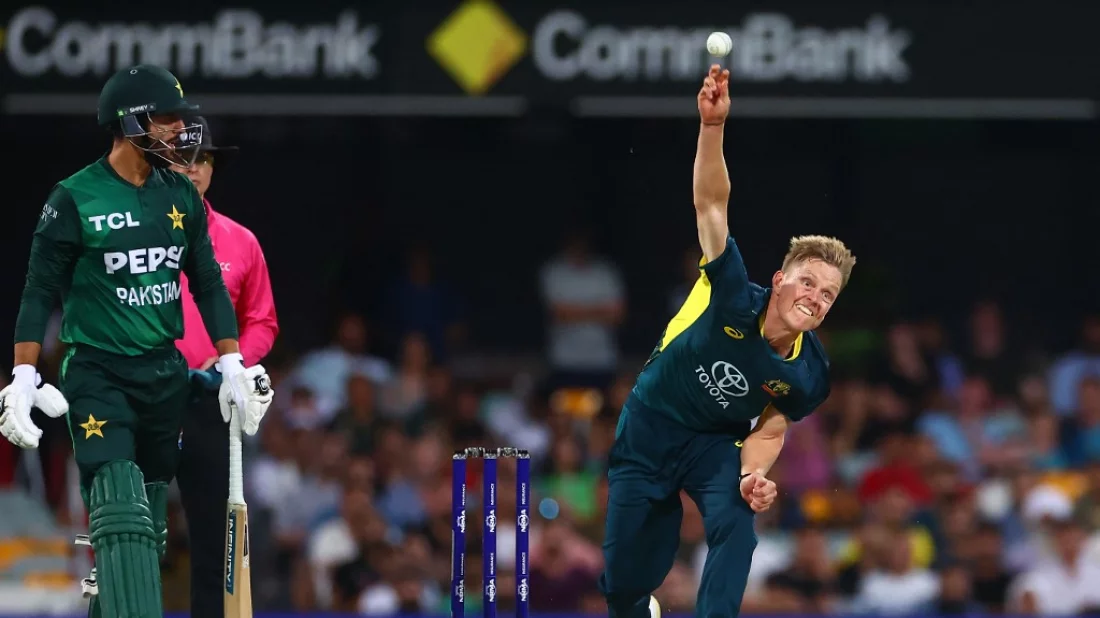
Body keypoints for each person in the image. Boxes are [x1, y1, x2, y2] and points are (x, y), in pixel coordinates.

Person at [0, 64, 274, 618]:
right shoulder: (74, 198)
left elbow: (210, 288)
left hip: (163, 373)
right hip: (97, 371)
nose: (180, 129)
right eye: (168, 118)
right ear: (131, 121)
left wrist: (233, 362)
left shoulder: (180, 197)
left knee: (145, 513)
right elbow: (38, 293)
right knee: (118, 491)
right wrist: (23, 375)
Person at [597, 64, 857, 618]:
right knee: (622, 587)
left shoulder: (809, 373)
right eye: (808, 281)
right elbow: (712, 205)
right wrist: (712, 127)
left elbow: (773, 423)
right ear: (781, 279)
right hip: (649, 425)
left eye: (828, 293)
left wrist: (753, 473)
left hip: (714, 442)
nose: (815, 296)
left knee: (738, 520)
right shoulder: (733, 293)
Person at [172, 116, 279, 617]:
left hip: (210, 402)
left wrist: (233, 359)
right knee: (131, 535)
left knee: (217, 547)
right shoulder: (134, 235)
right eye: (181, 159)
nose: (192, 169)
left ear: (212, 168)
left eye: (201, 160)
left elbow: (262, 322)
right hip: (145, 395)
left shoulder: (241, 242)